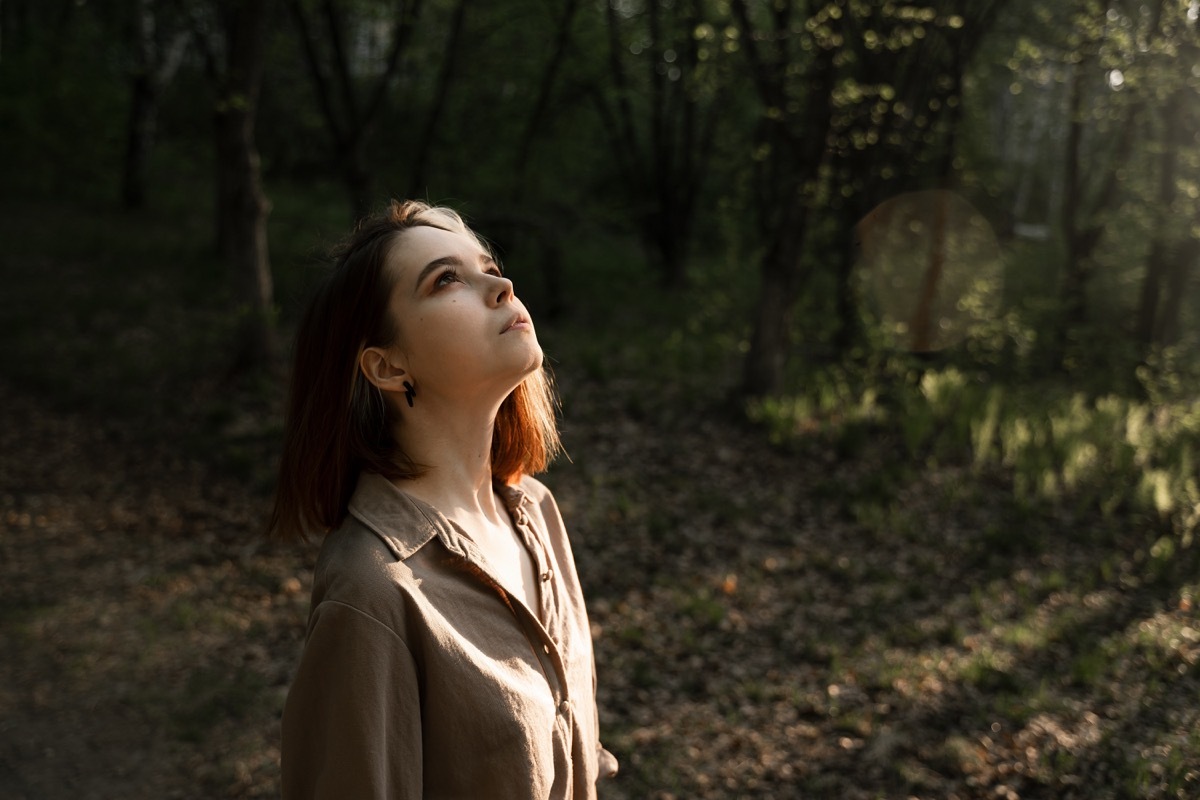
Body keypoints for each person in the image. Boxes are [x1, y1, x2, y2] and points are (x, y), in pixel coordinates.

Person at [270, 200, 618, 799]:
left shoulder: (534, 513)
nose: (501, 284)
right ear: (386, 365)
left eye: (489, 265)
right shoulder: (374, 594)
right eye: (447, 279)